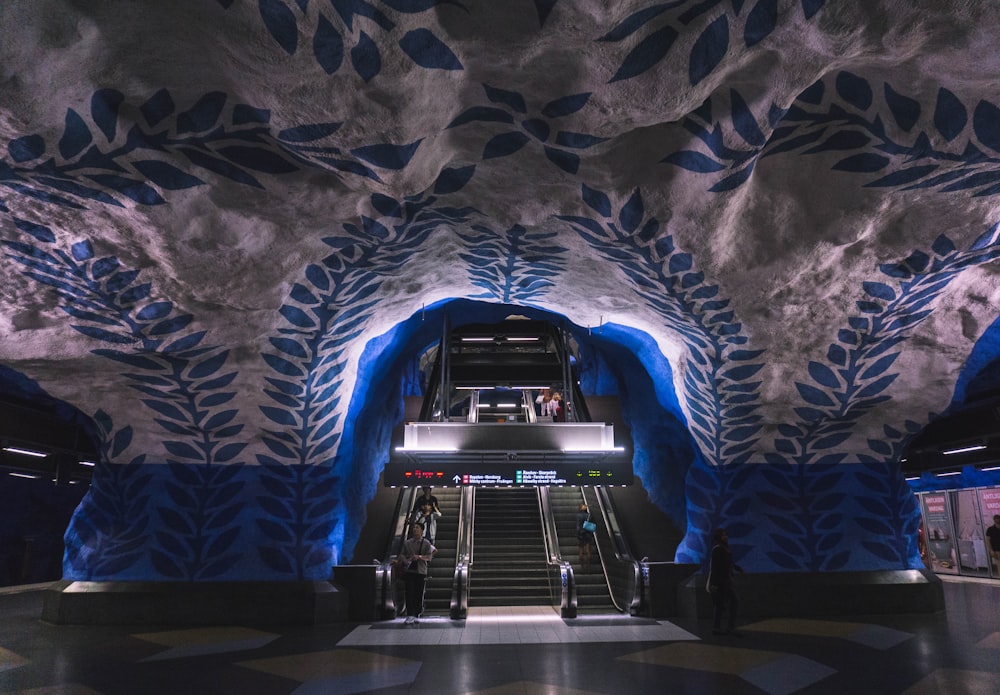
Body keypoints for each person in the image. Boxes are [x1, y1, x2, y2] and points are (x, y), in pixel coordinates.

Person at [397, 522, 436, 624]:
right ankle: (410, 614)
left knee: (418, 593)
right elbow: (402, 555)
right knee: (409, 592)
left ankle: (417, 614)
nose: (415, 529)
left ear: (422, 530)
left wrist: (419, 557)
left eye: (417, 528)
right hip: (409, 571)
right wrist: (405, 560)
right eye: (414, 528)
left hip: (421, 571)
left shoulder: (426, 543)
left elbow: (429, 557)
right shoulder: (407, 543)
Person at [707, 528, 744, 636]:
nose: (725, 537)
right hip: (721, 582)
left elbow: (729, 563)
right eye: (723, 535)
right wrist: (713, 584)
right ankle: (723, 627)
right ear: (719, 537)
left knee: (723, 604)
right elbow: (714, 567)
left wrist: (737, 568)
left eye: (726, 535)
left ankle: (719, 627)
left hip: (726, 581)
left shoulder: (724, 549)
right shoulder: (718, 549)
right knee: (725, 603)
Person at [576, 503, 595, 571]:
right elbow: (593, 525)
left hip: (581, 535)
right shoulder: (589, 516)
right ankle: (589, 565)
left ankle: (582, 566)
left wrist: (578, 534)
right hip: (588, 535)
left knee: (581, 550)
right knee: (588, 550)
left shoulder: (579, 516)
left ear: (580, 508)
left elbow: (578, 527)